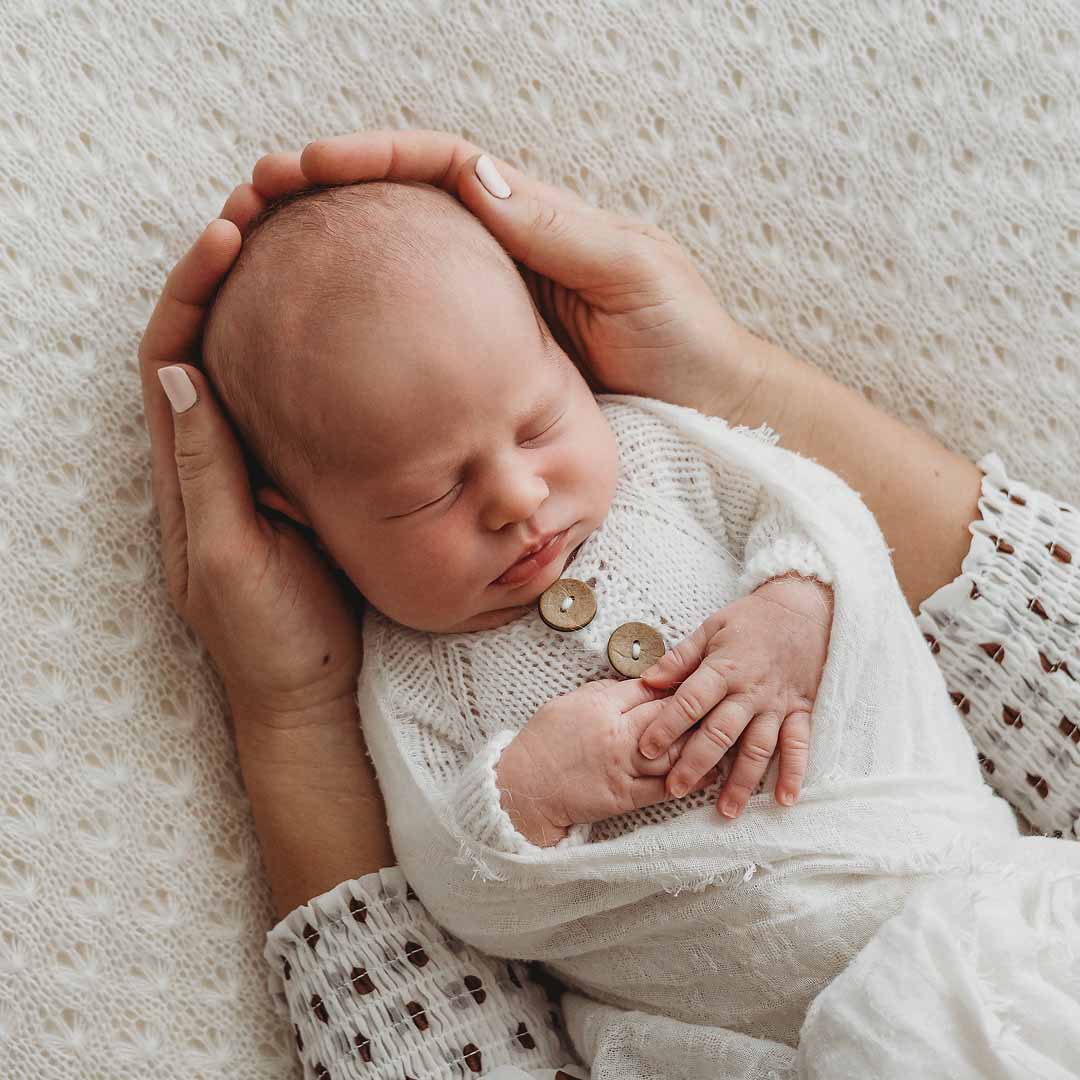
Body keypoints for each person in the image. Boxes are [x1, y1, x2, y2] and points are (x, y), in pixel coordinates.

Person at [139, 130, 1080, 1080]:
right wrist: (527, 795)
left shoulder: (663, 458)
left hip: (981, 913)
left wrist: (796, 608)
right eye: (430, 492)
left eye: (539, 421)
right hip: (751, 1044)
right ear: (303, 522)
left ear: (564, 357)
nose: (515, 496)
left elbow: (829, 514)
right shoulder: (407, 676)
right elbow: (454, 884)